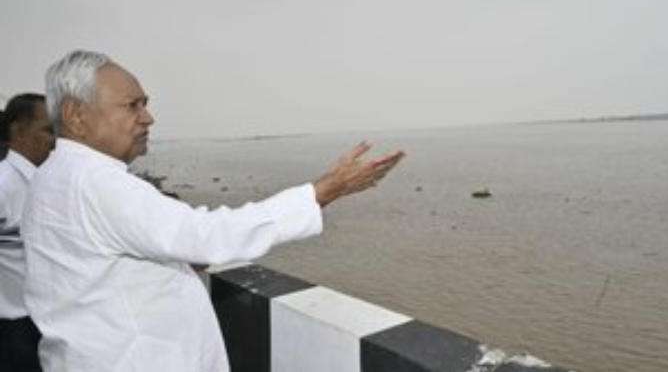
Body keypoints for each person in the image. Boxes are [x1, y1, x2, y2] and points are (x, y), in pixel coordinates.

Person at [22, 50, 405, 372]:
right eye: (131, 105)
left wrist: (179, 258)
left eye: (146, 104)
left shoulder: (51, 176)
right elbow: (208, 235)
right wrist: (323, 191)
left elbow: (110, 257)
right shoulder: (96, 183)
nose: (147, 117)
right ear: (76, 115)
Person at [0, 93, 54, 372]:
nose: (55, 139)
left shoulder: (46, 183)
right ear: (18, 130)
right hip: (17, 330)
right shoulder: (4, 185)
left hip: (48, 322)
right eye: (47, 130)